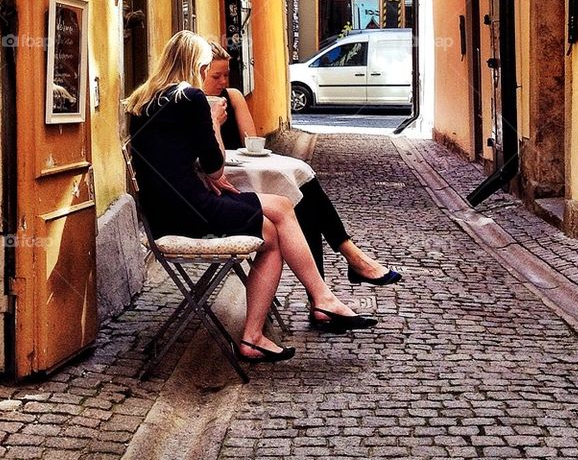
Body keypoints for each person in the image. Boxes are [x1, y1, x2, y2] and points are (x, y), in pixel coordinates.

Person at [125, 32, 377, 363]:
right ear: (197, 65)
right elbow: (215, 168)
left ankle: (282, 322)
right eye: (206, 69)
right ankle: (303, 309)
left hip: (162, 213)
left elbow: (174, 158)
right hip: (192, 212)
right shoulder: (190, 98)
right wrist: (213, 123)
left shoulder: (141, 101)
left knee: (271, 229)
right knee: (282, 209)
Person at [203, 41, 401, 288]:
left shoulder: (231, 97)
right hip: (221, 189)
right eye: (216, 76)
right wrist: (214, 124)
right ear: (198, 73)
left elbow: (250, 145)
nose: (223, 82)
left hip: (246, 177)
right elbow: (208, 162)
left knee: (304, 197)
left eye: (226, 75)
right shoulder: (190, 105)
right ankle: (346, 266)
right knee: (302, 200)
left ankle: (333, 282)